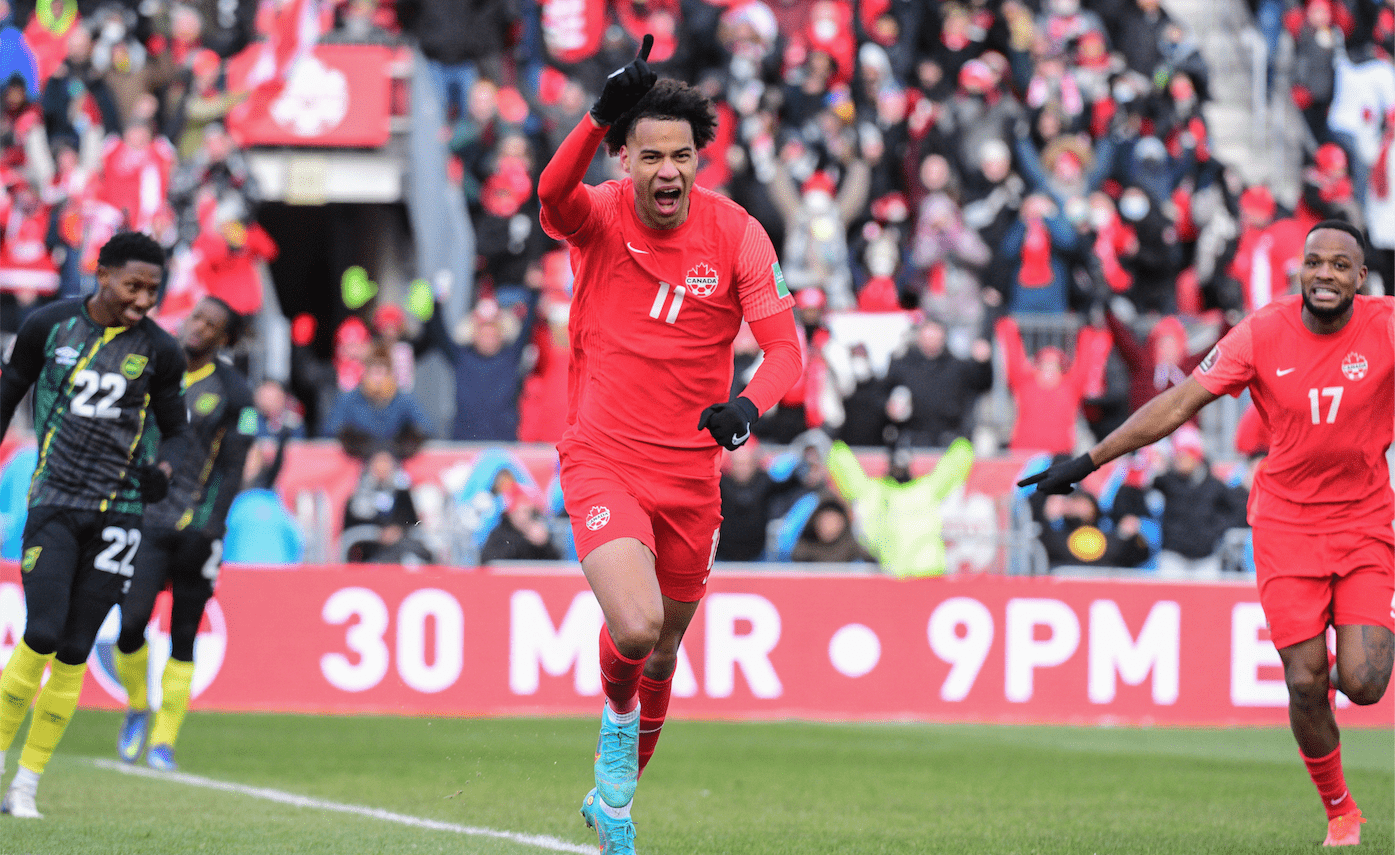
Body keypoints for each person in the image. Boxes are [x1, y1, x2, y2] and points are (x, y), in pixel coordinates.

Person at [1019, 221, 1393, 847]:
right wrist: (1089, 461)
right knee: (1304, 680)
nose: (1324, 274)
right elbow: (1178, 404)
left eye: (1338, 265)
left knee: (1365, 683)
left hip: (1362, 521)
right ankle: (1341, 812)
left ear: (1361, 277)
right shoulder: (1261, 332)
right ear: (1299, 270)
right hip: (1286, 524)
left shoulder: (1386, 326)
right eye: (1313, 262)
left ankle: (1341, 656)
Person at [537, 36, 801, 854]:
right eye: (648, 153)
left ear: (697, 160)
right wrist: (594, 114)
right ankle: (614, 730)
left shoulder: (737, 234)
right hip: (603, 456)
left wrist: (748, 407)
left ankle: (613, 804)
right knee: (639, 624)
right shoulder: (601, 215)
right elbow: (549, 195)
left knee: (664, 653)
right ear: (624, 159)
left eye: (680, 155)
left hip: (692, 476)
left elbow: (786, 350)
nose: (665, 171)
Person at [0, 231, 188, 819]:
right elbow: (9, 393)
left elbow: (175, 432)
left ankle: (25, 785)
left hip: (121, 515)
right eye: (133, 285)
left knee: (77, 648)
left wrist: (162, 470)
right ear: (101, 273)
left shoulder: (162, 352)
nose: (143, 300)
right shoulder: (47, 326)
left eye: (153, 290)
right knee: (43, 634)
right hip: (54, 501)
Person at [112, 295, 255, 773]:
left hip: (197, 528)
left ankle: (164, 742)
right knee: (130, 625)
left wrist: (211, 525)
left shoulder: (236, 393)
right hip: (147, 521)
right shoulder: (155, 368)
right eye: (197, 316)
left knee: (185, 635)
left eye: (212, 324)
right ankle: (137, 704)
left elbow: (232, 469)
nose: (199, 327)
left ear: (225, 339)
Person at [827, 437, 975, 578]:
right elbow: (848, 472)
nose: (900, 469)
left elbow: (952, 467)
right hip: (891, 576)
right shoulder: (876, 490)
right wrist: (834, 446)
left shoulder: (925, 488)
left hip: (929, 575)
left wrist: (965, 441)